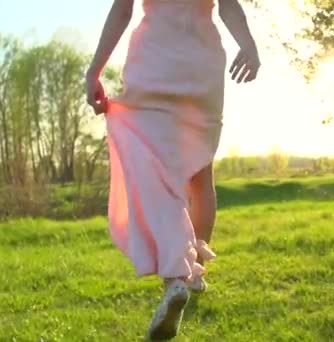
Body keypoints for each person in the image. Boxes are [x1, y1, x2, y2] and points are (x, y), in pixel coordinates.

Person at [85, 0, 260, 339]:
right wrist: (248, 45)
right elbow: (229, 7)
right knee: (199, 174)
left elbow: (123, 10)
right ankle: (194, 272)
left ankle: (175, 278)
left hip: (153, 60)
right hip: (201, 62)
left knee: (153, 169)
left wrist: (94, 70)